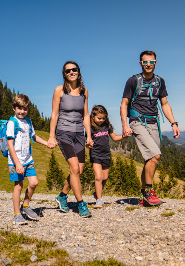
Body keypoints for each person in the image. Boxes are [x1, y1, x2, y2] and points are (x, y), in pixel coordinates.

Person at [120, 50, 180, 207]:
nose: (148, 65)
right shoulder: (133, 81)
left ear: (156, 63)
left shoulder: (160, 81)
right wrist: (125, 125)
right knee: (155, 156)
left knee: (150, 159)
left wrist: (174, 123)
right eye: (145, 62)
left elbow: (165, 104)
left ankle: (143, 197)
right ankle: (149, 193)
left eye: (151, 62)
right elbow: (124, 104)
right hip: (137, 121)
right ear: (140, 64)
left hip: (154, 122)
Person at [48, 61, 93, 218]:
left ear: (78, 72)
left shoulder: (84, 91)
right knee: (74, 168)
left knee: (78, 170)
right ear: (64, 74)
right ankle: (81, 203)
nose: (71, 72)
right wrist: (52, 136)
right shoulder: (59, 91)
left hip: (79, 133)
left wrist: (89, 135)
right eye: (68, 71)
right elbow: (54, 114)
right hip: (64, 132)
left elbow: (85, 115)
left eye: (74, 70)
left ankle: (62, 195)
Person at [7, 94, 50, 225]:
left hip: (28, 159)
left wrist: (47, 143)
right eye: (19, 108)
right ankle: (16, 214)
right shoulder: (11, 123)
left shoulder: (29, 122)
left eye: (25, 109)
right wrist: (17, 163)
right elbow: (10, 145)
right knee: (18, 186)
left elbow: (34, 137)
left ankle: (25, 205)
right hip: (16, 160)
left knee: (34, 183)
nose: (22, 111)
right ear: (14, 108)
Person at [89, 105, 126, 208]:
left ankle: (96, 193)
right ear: (93, 116)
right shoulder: (90, 127)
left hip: (106, 154)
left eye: (103, 118)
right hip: (95, 154)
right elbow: (87, 140)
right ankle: (99, 200)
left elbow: (114, 137)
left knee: (105, 177)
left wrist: (124, 136)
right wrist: (88, 144)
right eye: (99, 118)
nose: (101, 120)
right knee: (98, 177)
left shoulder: (107, 126)